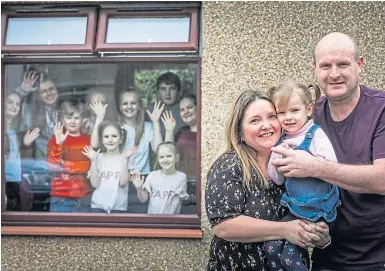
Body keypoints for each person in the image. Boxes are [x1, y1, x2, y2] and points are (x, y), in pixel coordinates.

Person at [271, 32, 385, 270]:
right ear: (314, 68)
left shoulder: (380, 109)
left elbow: (382, 179)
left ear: (360, 64)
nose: (334, 74)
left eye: (342, 64)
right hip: (328, 254)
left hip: (376, 257)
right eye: (325, 66)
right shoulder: (310, 113)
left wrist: (315, 167)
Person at [205, 89, 331, 270]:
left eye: (272, 116)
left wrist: (319, 236)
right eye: (255, 120)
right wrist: (285, 230)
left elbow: (305, 210)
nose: (266, 125)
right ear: (240, 132)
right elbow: (223, 225)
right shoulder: (229, 165)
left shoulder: (292, 161)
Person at [263, 81, 341, 270]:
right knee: (271, 248)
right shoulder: (282, 141)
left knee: (291, 254)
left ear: (308, 110)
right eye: (281, 113)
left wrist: (308, 162)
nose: (287, 117)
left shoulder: (315, 135)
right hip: (295, 210)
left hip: (319, 210)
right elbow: (278, 179)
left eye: (294, 111)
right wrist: (276, 157)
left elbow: (333, 169)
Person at [82, 121, 137, 213]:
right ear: (102, 140)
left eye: (114, 136)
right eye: (106, 137)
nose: (110, 140)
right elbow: (95, 184)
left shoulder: (126, 157)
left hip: (118, 208)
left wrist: (125, 159)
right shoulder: (98, 157)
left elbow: (123, 182)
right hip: (98, 207)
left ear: (121, 139)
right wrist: (94, 161)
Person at [47, 99, 91, 212]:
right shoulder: (54, 139)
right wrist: (59, 144)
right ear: (62, 119)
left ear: (82, 120)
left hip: (84, 197)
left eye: (77, 118)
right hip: (61, 197)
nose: (73, 121)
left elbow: (90, 166)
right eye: (68, 117)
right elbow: (52, 167)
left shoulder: (88, 140)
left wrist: (66, 165)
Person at [4, 91, 40, 210]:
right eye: (10, 102)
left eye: (17, 104)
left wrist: (25, 144)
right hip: (5, 183)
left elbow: (16, 158)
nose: (14, 106)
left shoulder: (13, 130)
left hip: (14, 182)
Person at [133, 142, 189, 214]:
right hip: (153, 221)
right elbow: (143, 199)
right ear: (158, 159)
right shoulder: (152, 175)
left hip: (171, 221)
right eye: (162, 157)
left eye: (169, 156)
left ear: (176, 158)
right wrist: (139, 188)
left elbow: (175, 202)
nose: (165, 160)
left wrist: (167, 222)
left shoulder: (181, 177)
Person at [15, 70, 60, 159]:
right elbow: (9, 109)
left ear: (57, 89)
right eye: (43, 91)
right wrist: (21, 90)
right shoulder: (31, 112)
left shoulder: (65, 108)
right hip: (41, 166)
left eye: (51, 89)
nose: (49, 93)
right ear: (38, 95)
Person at [147, 72, 186, 138]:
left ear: (179, 91)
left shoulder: (186, 111)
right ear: (157, 91)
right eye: (163, 89)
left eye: (172, 89)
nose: (168, 93)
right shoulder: (149, 111)